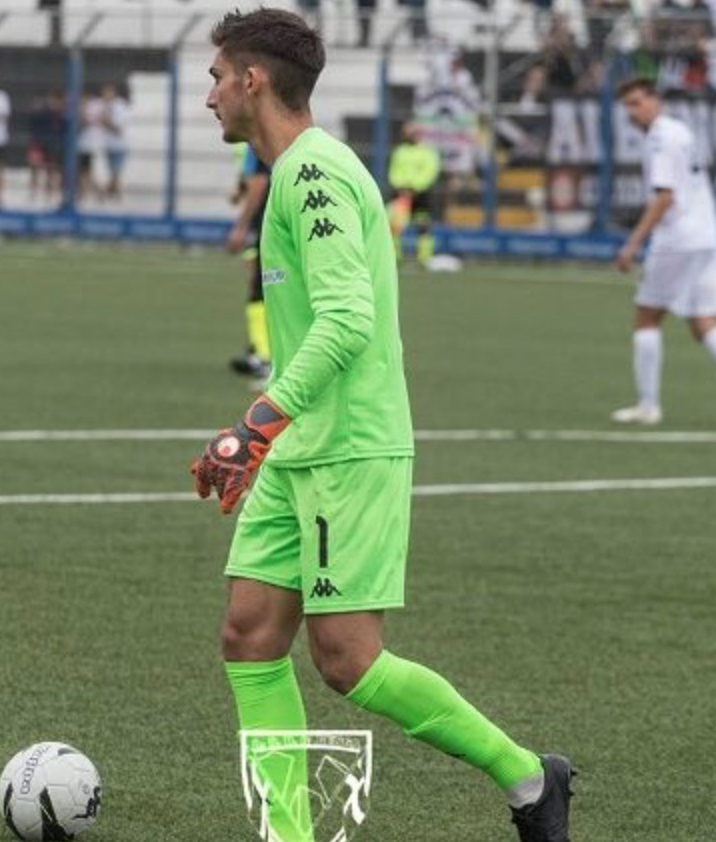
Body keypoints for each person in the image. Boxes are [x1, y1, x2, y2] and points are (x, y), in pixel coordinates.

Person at [193, 9, 574, 842]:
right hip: (299, 450)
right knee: (249, 636)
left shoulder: (315, 174)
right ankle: (289, 837)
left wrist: (256, 423)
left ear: (253, 80)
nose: (209, 95)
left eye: (218, 77)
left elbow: (345, 321)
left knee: (347, 662)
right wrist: (270, 435)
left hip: (348, 449)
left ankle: (527, 778)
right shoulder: (293, 172)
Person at [611, 77, 716, 431]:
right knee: (703, 323)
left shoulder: (660, 139)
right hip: (705, 235)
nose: (631, 111)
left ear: (656, 101)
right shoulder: (679, 131)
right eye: (626, 105)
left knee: (647, 317)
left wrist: (633, 243)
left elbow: (665, 196)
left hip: (677, 238)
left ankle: (648, 405)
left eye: (636, 102)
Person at [226, 144, 272, 385]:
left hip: (266, 225)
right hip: (266, 224)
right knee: (260, 286)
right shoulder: (254, 141)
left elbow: (259, 184)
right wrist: (239, 188)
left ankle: (265, 357)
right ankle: (260, 350)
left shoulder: (257, 140)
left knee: (260, 290)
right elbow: (250, 178)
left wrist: (240, 226)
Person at [387, 122, 441, 266]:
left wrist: (415, 188)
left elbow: (429, 172)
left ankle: (424, 258)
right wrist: (401, 188)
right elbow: (394, 172)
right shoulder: (400, 151)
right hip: (401, 194)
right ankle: (395, 257)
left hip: (421, 195)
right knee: (395, 226)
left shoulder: (428, 152)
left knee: (423, 225)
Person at [25, 91, 67, 203]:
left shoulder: (62, 116)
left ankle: (49, 194)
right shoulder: (42, 112)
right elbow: (33, 123)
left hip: (51, 145)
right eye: (52, 101)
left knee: (50, 170)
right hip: (39, 143)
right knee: (34, 168)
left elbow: (62, 131)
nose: (54, 104)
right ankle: (33, 192)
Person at [98, 82, 131, 201]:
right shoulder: (104, 106)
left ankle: (105, 193)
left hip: (120, 145)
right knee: (113, 172)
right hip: (108, 144)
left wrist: (105, 121)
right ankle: (115, 195)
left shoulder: (120, 106)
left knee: (115, 173)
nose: (104, 95)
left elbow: (119, 129)